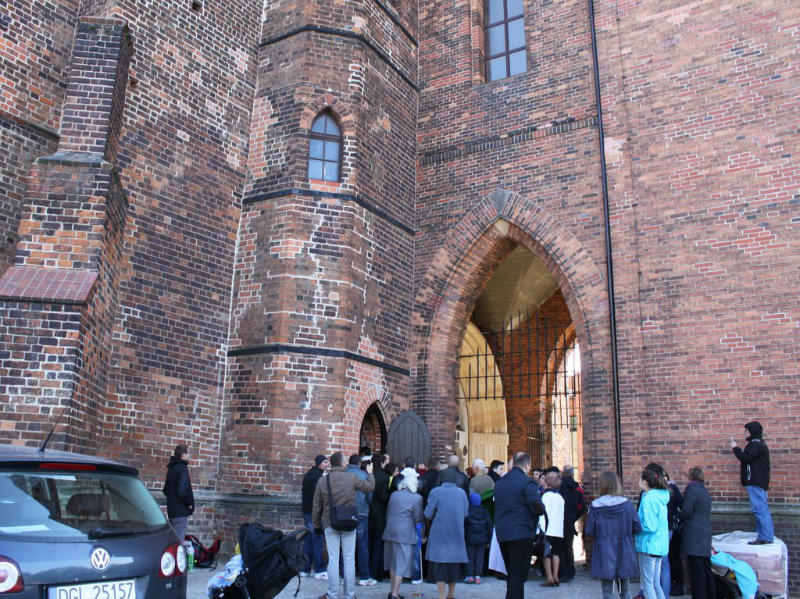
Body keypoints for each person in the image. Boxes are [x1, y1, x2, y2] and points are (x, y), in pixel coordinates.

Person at [312, 451, 375, 599]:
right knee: (349, 560)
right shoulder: (352, 478)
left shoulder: (323, 481)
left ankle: (332, 594)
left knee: (333, 560)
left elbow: (316, 505)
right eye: (345, 461)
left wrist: (316, 524)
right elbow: (370, 487)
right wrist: (370, 473)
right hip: (349, 521)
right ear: (342, 463)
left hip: (330, 521)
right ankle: (350, 594)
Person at [494, 451, 546, 599]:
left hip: (503, 533)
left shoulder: (500, 483)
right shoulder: (527, 482)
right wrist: (541, 509)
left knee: (512, 572)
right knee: (518, 574)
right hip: (521, 532)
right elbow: (536, 504)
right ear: (528, 466)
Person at [585, 471, 642, 599]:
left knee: (607, 592)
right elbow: (637, 527)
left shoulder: (595, 506)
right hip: (624, 551)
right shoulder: (627, 505)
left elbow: (589, 531)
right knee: (625, 590)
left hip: (604, 552)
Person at [424, 467, 470, 599]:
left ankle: (441, 595)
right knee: (453, 566)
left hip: (439, 534)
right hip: (456, 532)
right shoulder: (461, 493)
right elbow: (465, 513)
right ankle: (451, 595)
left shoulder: (435, 491)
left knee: (440, 566)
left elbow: (427, 513)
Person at [383, 468, 424, 599]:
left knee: (393, 564)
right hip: (405, 534)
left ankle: (392, 591)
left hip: (390, 531)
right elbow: (418, 519)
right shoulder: (417, 498)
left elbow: (388, 513)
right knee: (401, 564)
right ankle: (395, 594)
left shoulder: (394, 495)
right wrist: (421, 535)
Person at [731, 420, 773, 544]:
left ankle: (765, 537)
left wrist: (735, 448)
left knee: (759, 509)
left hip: (755, 481)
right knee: (761, 509)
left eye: (747, 431)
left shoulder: (756, 444)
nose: (745, 433)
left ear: (752, 431)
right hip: (757, 481)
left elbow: (745, 457)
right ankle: (764, 536)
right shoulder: (758, 444)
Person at [679, 468, 716, 599]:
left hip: (694, 534)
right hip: (705, 532)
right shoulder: (704, 491)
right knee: (706, 569)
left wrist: (679, 518)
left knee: (696, 571)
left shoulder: (691, 490)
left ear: (691, 477)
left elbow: (686, 511)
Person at [635, 468, 670, 599]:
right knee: (655, 584)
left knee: (647, 585)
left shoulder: (649, 499)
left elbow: (650, 525)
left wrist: (635, 527)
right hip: (658, 546)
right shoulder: (661, 497)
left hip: (648, 545)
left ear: (645, 482)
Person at [346, 454, 375, 586]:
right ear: (359, 463)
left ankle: (343, 575)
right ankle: (364, 576)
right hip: (361, 512)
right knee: (362, 545)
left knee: (345, 544)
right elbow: (369, 496)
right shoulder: (364, 475)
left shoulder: (344, 474)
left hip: (345, 512)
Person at [301, 454, 330, 579]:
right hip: (313, 512)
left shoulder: (310, 474)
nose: (327, 464)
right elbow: (317, 496)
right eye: (325, 462)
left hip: (307, 511)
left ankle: (305, 569)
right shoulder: (317, 476)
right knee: (317, 539)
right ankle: (319, 570)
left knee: (309, 539)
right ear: (319, 463)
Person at [162, 444, 194, 542]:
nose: (190, 455)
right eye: (188, 453)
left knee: (172, 541)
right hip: (180, 513)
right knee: (178, 543)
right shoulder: (182, 469)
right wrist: (189, 503)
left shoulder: (172, 468)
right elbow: (182, 491)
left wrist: (173, 499)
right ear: (183, 455)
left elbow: (165, 490)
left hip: (172, 511)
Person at [559, 464, 586, 581]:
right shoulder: (577, 488)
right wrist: (573, 517)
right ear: (572, 474)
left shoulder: (558, 486)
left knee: (559, 547)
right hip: (570, 520)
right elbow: (582, 507)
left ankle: (562, 571)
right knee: (568, 546)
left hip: (559, 519)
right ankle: (570, 571)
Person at [540, 471, 565, 587]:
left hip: (548, 529)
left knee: (546, 554)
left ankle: (549, 577)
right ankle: (556, 576)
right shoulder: (560, 497)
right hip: (558, 529)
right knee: (556, 553)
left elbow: (544, 513)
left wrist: (541, 529)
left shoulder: (546, 496)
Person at [369, 452, 391, 581]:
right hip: (380, 512)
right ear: (382, 462)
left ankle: (367, 571)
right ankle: (377, 572)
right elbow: (383, 496)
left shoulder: (369, 475)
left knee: (368, 542)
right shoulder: (384, 476)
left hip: (368, 511)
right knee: (378, 543)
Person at [464, 491, 492, 584]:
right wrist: (489, 540)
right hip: (482, 540)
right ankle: (478, 576)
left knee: (470, 557)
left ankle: (469, 576)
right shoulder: (485, 511)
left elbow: (464, 525)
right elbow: (489, 526)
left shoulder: (468, 510)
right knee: (479, 557)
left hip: (470, 538)